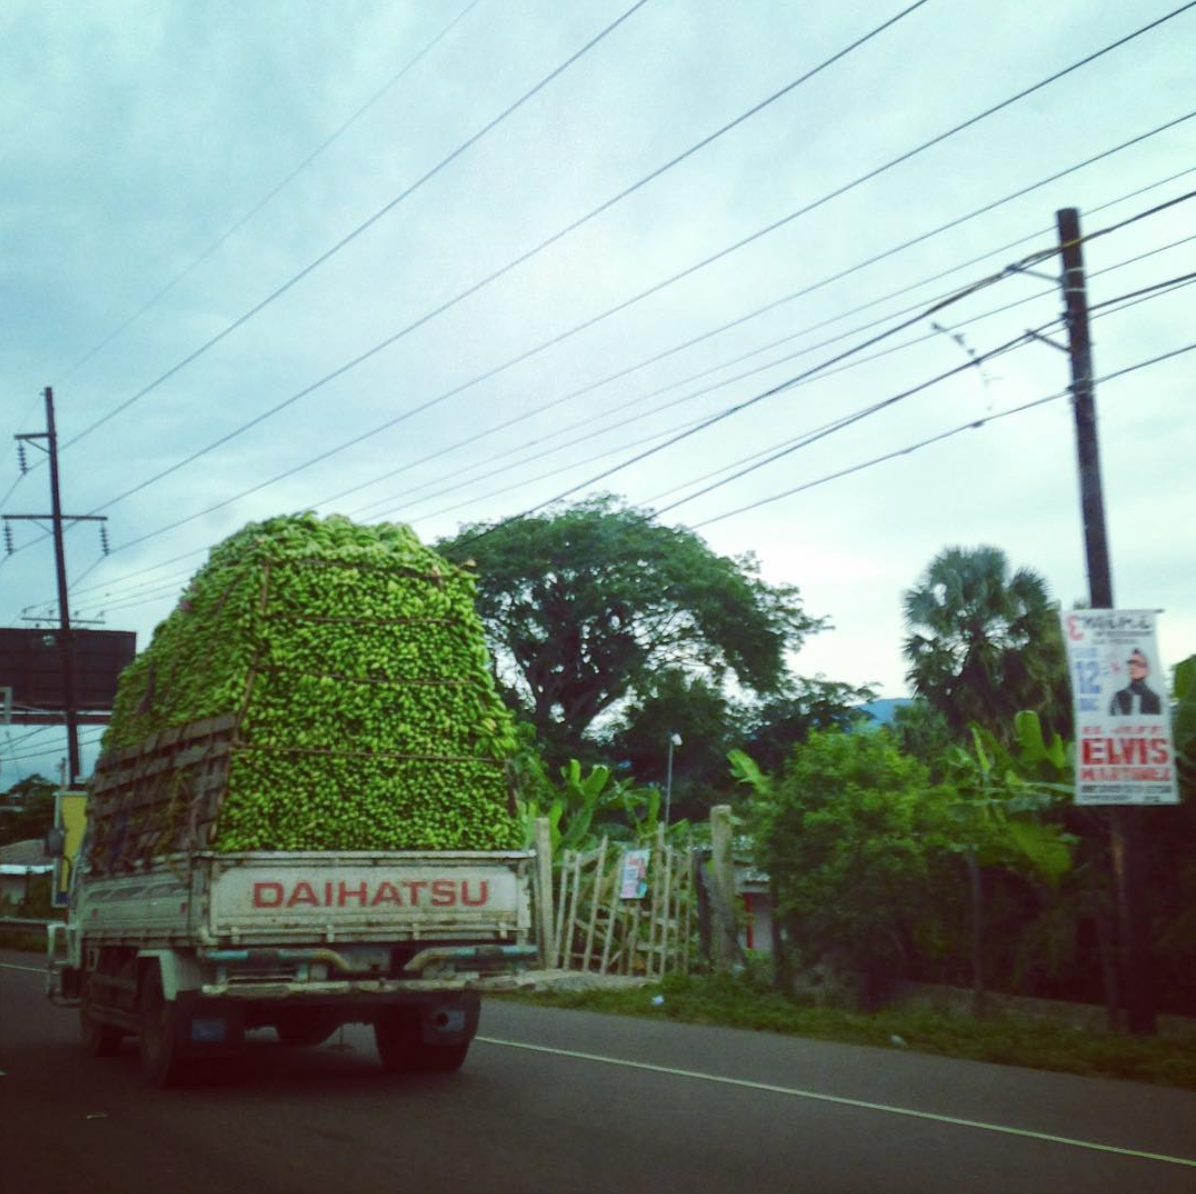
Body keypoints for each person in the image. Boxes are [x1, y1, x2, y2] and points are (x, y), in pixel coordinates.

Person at [1108, 648, 1162, 716]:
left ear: (1147, 670)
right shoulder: (1118, 697)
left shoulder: (1155, 699)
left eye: (1137, 663)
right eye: (1130, 663)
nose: (1132, 667)